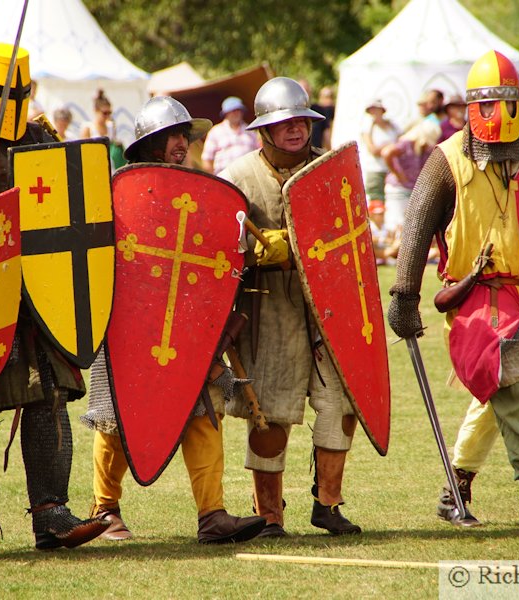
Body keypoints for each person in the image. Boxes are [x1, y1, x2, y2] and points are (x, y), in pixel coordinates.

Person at [387, 50, 519, 537]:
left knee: (497, 393)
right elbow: (416, 229)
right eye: (487, 104)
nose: (497, 115)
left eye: (506, 103)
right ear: (471, 107)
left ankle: (455, 490)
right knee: (511, 387)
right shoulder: (445, 161)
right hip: (471, 299)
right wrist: (405, 294)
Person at [0, 42, 106, 552]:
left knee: (49, 398)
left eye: (18, 91)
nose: (9, 99)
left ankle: (51, 514)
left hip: (40, 297)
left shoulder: (40, 139)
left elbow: (69, 206)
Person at [82, 96, 266, 544]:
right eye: (171, 137)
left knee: (204, 411)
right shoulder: (119, 194)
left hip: (185, 326)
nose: (181, 144)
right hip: (131, 322)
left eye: (184, 136)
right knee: (117, 416)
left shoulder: (204, 192)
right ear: (149, 144)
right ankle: (104, 510)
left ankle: (213, 515)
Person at [219, 77, 364, 538]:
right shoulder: (238, 178)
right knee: (270, 417)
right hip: (268, 312)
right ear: (265, 131)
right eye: (285, 124)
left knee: (341, 406)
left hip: (326, 310)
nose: (296, 130)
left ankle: (328, 504)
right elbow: (220, 250)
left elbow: (352, 238)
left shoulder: (328, 171)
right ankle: (269, 515)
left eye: (301, 121)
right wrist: (254, 251)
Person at [381, 118, 441, 234]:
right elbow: (386, 152)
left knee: (409, 226)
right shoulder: (406, 144)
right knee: (396, 223)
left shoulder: (424, 148)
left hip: (412, 189)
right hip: (399, 188)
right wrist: (397, 173)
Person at [200, 96, 261, 174]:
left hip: (249, 176)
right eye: (233, 111)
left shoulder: (250, 131)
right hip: (225, 178)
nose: (236, 113)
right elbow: (206, 159)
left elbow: (259, 155)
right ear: (226, 113)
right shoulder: (215, 132)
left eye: (238, 110)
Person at [359, 100, 400, 206]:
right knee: (376, 203)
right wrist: (389, 146)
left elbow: (401, 145)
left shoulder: (393, 126)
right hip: (375, 169)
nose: (374, 113)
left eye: (375, 109)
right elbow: (373, 150)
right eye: (371, 110)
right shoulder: (367, 127)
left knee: (394, 201)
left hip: (393, 169)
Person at [80, 89, 126, 170]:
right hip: (93, 166)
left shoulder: (111, 126)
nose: (107, 115)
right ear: (96, 111)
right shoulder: (88, 128)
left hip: (110, 166)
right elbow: (83, 152)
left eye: (109, 112)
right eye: (105, 113)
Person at [368, 199, 399, 265]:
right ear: (371, 214)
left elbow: (392, 238)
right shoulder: (369, 226)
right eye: (378, 214)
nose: (381, 216)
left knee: (398, 244)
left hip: (386, 249)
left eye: (382, 213)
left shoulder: (385, 226)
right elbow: (370, 239)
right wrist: (384, 240)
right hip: (376, 251)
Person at [310, 85, 336, 150]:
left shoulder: (333, 111)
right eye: (326, 97)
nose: (328, 100)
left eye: (331, 97)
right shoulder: (318, 111)